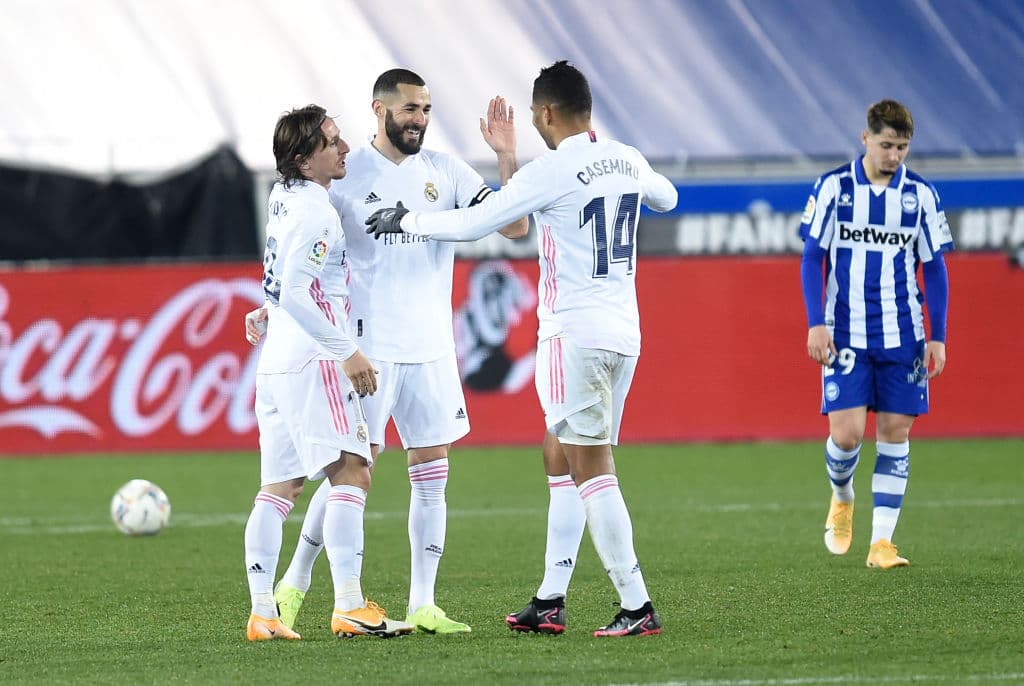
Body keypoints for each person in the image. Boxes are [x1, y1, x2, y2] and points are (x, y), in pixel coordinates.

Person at [366, 60, 678, 637]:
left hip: (572, 336)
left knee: (590, 469)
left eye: (536, 117)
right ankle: (550, 598)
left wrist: (408, 219)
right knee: (559, 455)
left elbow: (476, 223)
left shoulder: (552, 171)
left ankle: (636, 605)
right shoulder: (627, 157)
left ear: (547, 113)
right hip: (625, 336)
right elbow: (666, 197)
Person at [247, 68, 529, 635]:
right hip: (364, 346)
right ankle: (298, 581)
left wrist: (505, 159)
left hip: (431, 346)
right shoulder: (345, 179)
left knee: (432, 473)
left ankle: (423, 602)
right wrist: (273, 305)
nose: (420, 120)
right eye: (409, 110)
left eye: (425, 109)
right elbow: (306, 261)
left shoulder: (446, 171)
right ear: (380, 110)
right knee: (349, 469)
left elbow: (516, 225)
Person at [244, 104, 413, 641]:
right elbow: (299, 286)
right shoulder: (318, 210)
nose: (344, 150)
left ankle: (263, 613)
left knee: (278, 489)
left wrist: (267, 307)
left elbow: (284, 279)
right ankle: (349, 605)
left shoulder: (282, 195)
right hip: (315, 359)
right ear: (303, 158)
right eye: (331, 143)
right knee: (353, 470)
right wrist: (347, 351)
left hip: (275, 362)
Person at [798, 99, 952, 569]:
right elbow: (811, 258)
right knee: (846, 437)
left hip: (903, 331)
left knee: (895, 430)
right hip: (845, 332)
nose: (894, 155)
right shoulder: (834, 188)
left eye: (902, 147)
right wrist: (815, 322)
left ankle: (882, 543)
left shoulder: (920, 195)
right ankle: (841, 497)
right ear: (865, 139)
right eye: (886, 145)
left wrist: (938, 335)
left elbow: (935, 267)